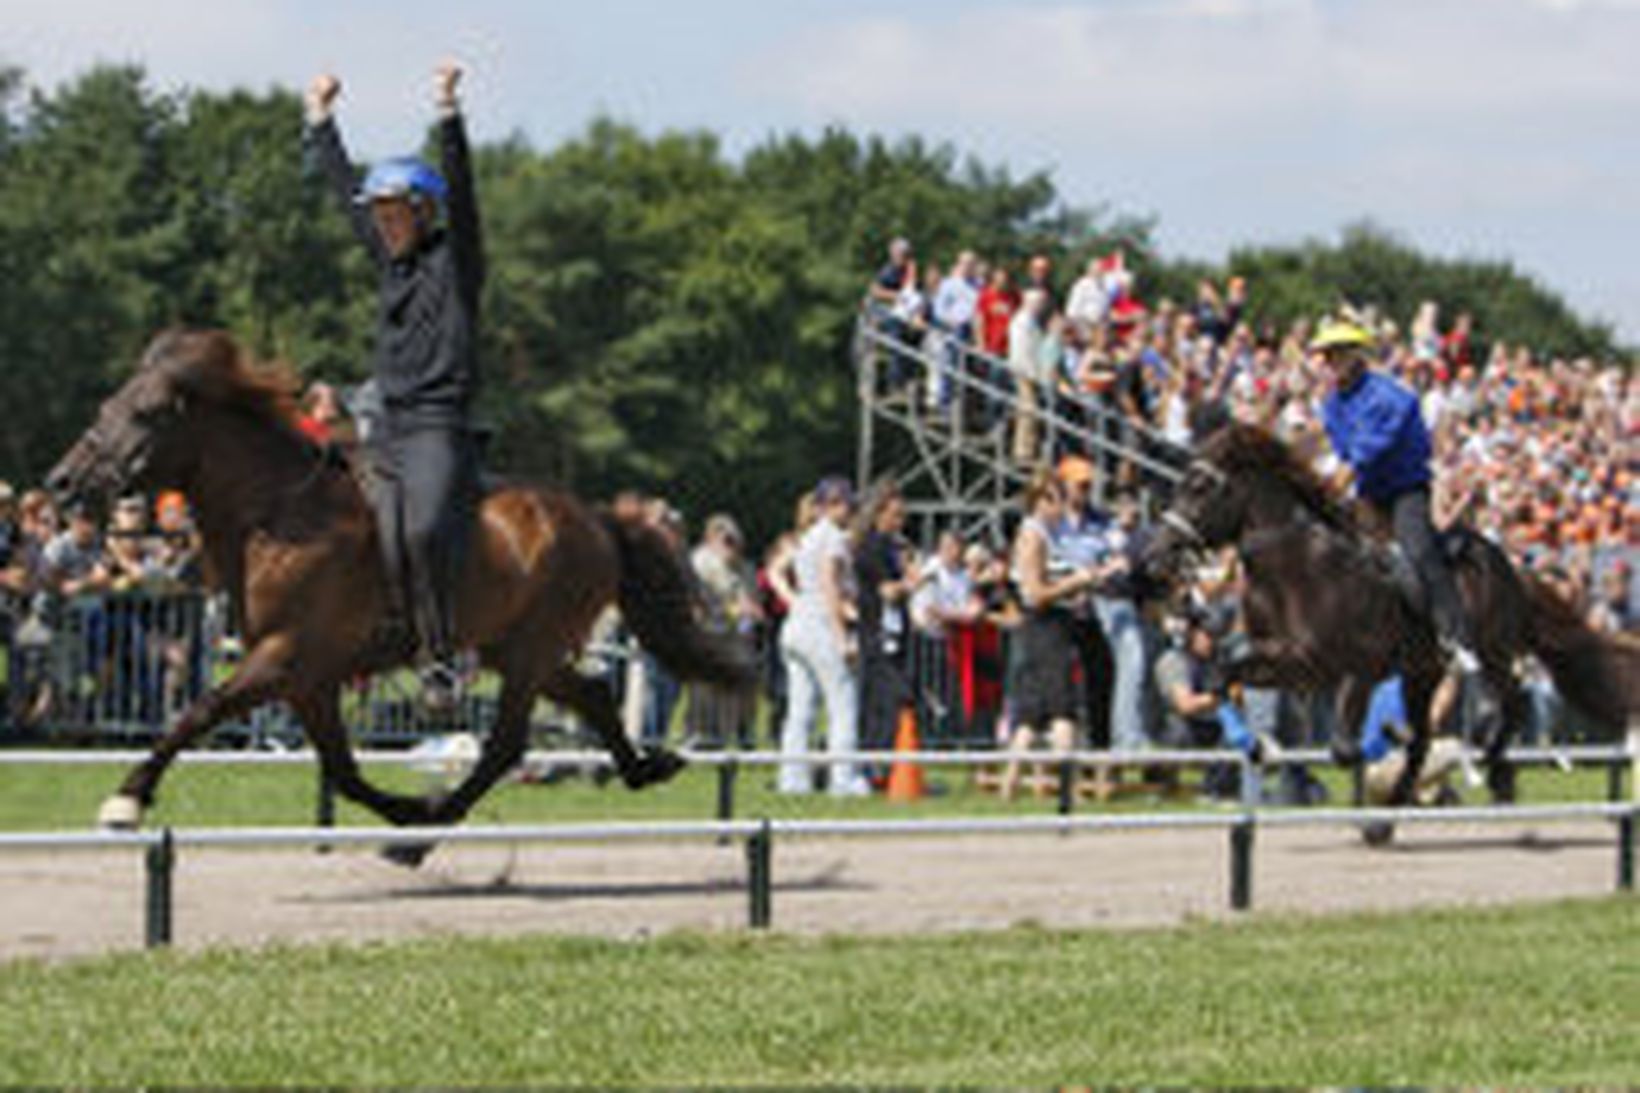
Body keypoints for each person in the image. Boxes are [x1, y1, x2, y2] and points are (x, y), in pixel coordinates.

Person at [305, 59, 485, 711]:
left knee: (420, 529)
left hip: (438, 423)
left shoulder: (456, 262)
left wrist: (447, 111)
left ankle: (438, 656)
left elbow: (464, 193)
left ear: (421, 209)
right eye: (376, 212)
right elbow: (339, 189)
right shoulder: (390, 265)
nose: (382, 221)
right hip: (384, 423)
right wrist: (322, 121)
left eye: (392, 210)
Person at [1312, 317, 1501, 729]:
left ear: (1354, 355)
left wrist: (1325, 491)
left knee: (1419, 553)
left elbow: (1359, 458)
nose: (1326, 363)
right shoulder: (1331, 404)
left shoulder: (1390, 398)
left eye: (1333, 355)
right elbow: (1343, 456)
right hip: (1366, 492)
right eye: (1323, 356)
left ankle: (1459, 642)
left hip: (1404, 490)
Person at [1000, 471, 1101, 800]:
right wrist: (1077, 582)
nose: (1062, 506)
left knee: (1031, 714)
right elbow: (1034, 593)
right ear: (1040, 501)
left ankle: (1009, 786)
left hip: (1055, 624)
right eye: (1055, 498)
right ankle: (1067, 788)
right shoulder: (1033, 535)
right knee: (1062, 709)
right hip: (1045, 627)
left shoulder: (1049, 533)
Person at [778, 477, 867, 796]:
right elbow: (830, 584)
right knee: (842, 703)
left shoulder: (808, 537)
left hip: (796, 623)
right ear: (831, 506)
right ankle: (843, 779)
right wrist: (842, 635)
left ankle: (792, 779)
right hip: (819, 625)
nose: (851, 510)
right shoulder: (833, 538)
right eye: (846, 504)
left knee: (800, 709)